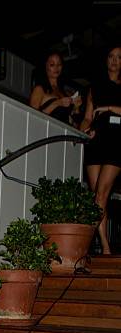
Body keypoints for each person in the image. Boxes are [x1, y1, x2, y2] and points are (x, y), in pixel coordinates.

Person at [80, 45, 121, 254]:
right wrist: (82, 131)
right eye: (111, 56)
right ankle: (104, 246)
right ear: (106, 60)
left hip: (116, 142)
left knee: (102, 194)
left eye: (119, 57)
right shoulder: (95, 86)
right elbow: (87, 116)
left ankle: (86, 244)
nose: (114, 60)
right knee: (96, 196)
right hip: (96, 141)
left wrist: (109, 108)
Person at [29, 52, 82, 126]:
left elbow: (75, 124)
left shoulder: (66, 93)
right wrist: (57, 103)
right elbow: (32, 116)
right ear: (45, 66)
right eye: (52, 65)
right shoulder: (39, 89)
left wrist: (76, 107)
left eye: (59, 64)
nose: (56, 68)